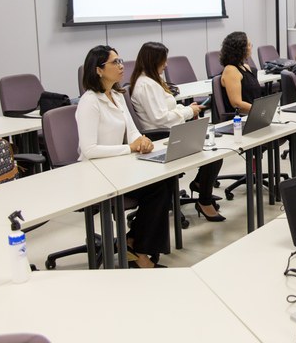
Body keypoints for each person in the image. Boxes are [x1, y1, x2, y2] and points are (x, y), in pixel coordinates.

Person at [76, 45, 172, 268]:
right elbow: (89, 149)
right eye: (115, 63)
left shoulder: (117, 96)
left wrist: (143, 140)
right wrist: (130, 148)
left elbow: (132, 130)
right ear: (98, 70)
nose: (121, 66)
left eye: (121, 61)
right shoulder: (89, 102)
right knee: (157, 189)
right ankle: (138, 249)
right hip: (95, 173)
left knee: (164, 181)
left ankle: (134, 242)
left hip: (120, 166)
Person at [130, 42, 225, 222]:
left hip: (170, 129)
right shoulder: (146, 85)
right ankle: (203, 198)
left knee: (214, 147)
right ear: (153, 61)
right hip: (160, 135)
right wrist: (188, 112)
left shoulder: (154, 79)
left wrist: (187, 107)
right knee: (213, 151)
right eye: (163, 61)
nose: (166, 65)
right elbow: (160, 119)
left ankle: (201, 185)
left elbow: (168, 108)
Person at [219, 31, 262, 117]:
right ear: (240, 50)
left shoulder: (246, 67)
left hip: (254, 114)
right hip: (240, 120)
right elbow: (236, 104)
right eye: (248, 45)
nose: (251, 47)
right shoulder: (231, 70)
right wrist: (260, 109)